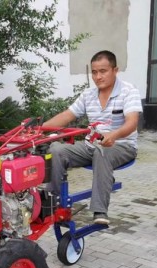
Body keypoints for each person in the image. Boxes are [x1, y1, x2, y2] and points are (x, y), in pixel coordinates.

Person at [43, 50, 143, 225]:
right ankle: (52, 202)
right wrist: (39, 130)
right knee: (56, 150)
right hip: (92, 146)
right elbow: (67, 115)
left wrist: (114, 135)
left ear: (115, 70)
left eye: (103, 71)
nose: (98, 77)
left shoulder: (129, 91)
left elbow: (132, 123)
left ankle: (99, 211)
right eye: (94, 72)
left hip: (122, 145)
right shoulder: (88, 94)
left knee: (102, 152)